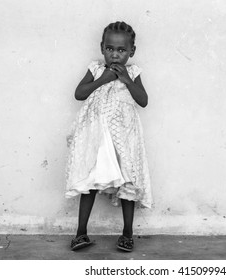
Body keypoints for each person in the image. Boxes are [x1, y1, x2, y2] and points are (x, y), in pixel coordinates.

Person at [65, 21, 152, 252]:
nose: (115, 55)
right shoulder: (95, 69)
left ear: (131, 52)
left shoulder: (133, 72)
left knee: (127, 181)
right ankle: (81, 233)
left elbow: (143, 100)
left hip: (123, 138)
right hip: (98, 139)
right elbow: (79, 94)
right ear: (102, 48)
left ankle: (127, 234)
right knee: (91, 181)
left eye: (121, 50)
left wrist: (127, 80)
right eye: (110, 49)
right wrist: (103, 79)